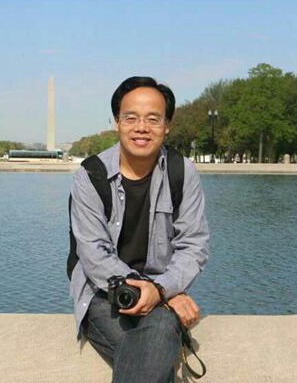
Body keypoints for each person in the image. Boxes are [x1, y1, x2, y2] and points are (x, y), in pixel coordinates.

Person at [68, 76, 210, 383]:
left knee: (156, 335)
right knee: (161, 331)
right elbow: (93, 255)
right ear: (117, 122)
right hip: (103, 294)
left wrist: (160, 290)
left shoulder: (182, 172)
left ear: (167, 125)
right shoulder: (91, 175)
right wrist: (160, 292)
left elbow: (194, 245)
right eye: (131, 118)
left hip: (162, 291)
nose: (141, 127)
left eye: (153, 119)